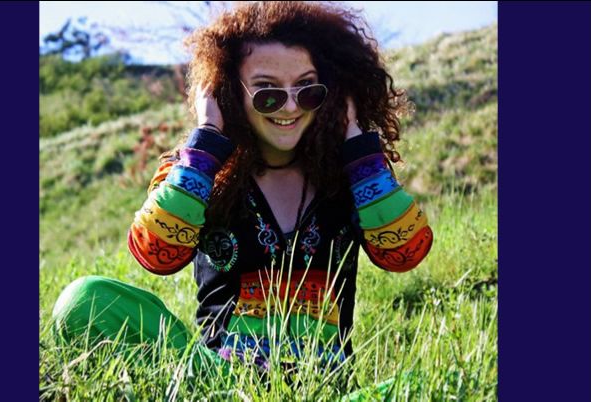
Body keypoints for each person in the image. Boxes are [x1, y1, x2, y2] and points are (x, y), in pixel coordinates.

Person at [52, 0, 433, 383]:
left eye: (307, 90)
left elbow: (404, 255)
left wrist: (357, 145)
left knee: (425, 383)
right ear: (230, 92)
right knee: (82, 299)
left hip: (326, 389)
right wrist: (207, 143)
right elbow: (154, 254)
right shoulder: (197, 171)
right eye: (267, 92)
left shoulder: (356, 178)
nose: (289, 107)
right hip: (219, 384)